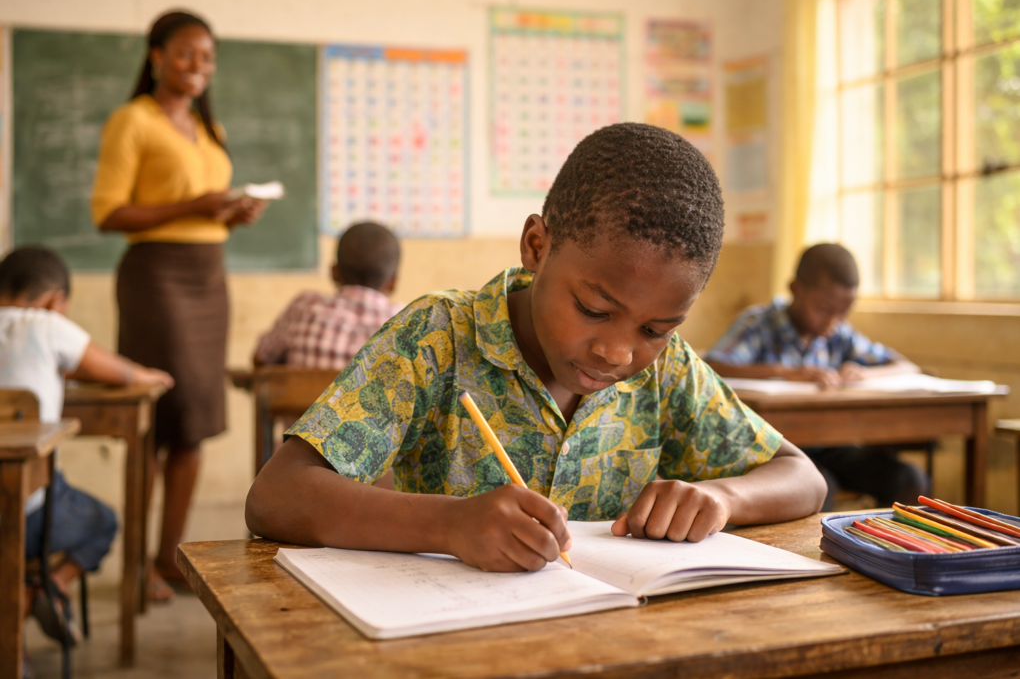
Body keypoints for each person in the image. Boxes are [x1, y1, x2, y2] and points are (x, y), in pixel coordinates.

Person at [245, 123, 827, 572]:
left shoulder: (666, 372)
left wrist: (720, 497)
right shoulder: (439, 337)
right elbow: (277, 495)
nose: (618, 352)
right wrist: (447, 525)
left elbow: (801, 477)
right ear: (536, 246)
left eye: (655, 329)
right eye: (595, 310)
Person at [91, 10, 268, 600]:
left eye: (208, 57)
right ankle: (136, 568)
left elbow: (204, 215)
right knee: (156, 421)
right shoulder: (132, 121)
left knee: (193, 422)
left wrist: (232, 214)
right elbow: (108, 213)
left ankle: (168, 559)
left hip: (207, 276)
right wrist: (194, 206)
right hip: (156, 279)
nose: (199, 66)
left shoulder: (203, 125)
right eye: (187, 54)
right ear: (157, 56)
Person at [0, 246, 173, 648]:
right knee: (102, 521)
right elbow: (121, 373)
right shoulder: (44, 325)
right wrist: (152, 376)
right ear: (54, 301)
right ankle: (40, 592)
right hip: (27, 515)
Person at [705, 243, 928, 510]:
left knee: (909, 479)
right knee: (820, 487)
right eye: (823, 308)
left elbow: (906, 366)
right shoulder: (759, 324)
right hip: (775, 450)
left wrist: (866, 373)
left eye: (843, 311)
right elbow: (712, 366)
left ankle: (884, 548)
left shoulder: (839, 334)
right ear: (795, 289)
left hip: (830, 445)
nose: (832, 320)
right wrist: (784, 373)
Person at [254, 222, 403, 369]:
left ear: (333, 272)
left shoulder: (303, 308)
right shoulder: (407, 325)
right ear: (393, 282)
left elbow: (261, 360)